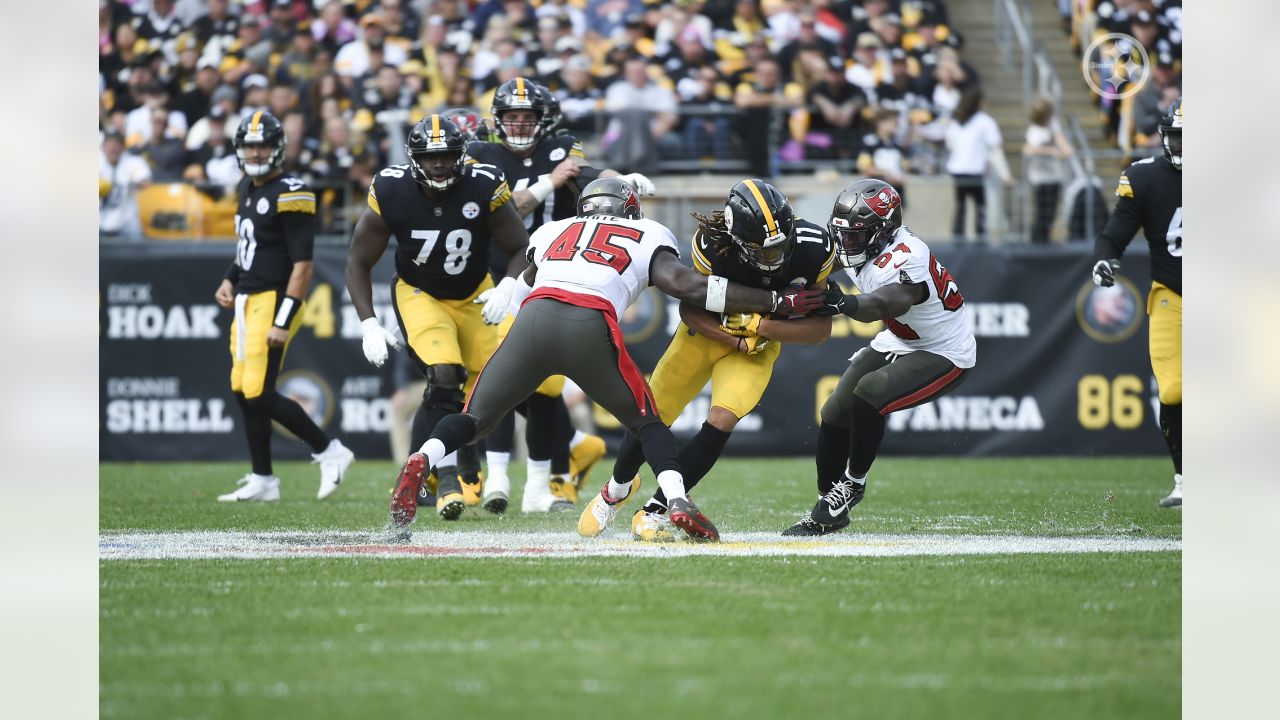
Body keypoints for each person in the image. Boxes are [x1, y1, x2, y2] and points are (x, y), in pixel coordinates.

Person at [389, 178, 828, 540]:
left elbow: (524, 280)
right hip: (588, 322)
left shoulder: (552, 230)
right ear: (631, 209)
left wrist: (507, 291)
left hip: (533, 317)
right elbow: (689, 289)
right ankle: (675, 499)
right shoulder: (650, 232)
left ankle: (424, 458)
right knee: (647, 422)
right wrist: (772, 299)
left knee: (476, 418)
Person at [604, 180, 837, 543]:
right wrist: (734, 336)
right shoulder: (714, 247)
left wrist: (760, 325)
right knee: (652, 414)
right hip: (706, 336)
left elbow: (820, 329)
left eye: (780, 246)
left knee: (723, 418)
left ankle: (656, 510)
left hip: (760, 345)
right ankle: (614, 491)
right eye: (763, 249)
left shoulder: (814, 247)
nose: (775, 257)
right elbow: (690, 310)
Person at [465, 78, 655, 512]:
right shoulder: (481, 152)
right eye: (510, 116)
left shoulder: (561, 145)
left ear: (542, 119)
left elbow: (590, 179)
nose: (517, 123)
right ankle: (513, 471)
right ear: (497, 119)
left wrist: (620, 180)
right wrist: (551, 182)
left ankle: (529, 480)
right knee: (497, 375)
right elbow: (509, 210)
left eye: (526, 116)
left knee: (541, 385)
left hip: (556, 274)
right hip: (501, 274)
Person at [345, 114, 532, 520]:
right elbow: (358, 261)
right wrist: (368, 324)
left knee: (491, 387)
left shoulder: (483, 183)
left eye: (447, 156)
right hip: (420, 291)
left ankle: (467, 461)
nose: (440, 164)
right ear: (413, 160)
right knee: (445, 377)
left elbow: (521, 246)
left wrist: (508, 286)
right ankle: (433, 478)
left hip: (476, 292)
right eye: (430, 158)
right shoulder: (391, 189)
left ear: (461, 155)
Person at [783, 179, 976, 535]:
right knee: (834, 411)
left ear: (882, 232)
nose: (846, 244)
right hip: (901, 338)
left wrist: (842, 302)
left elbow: (883, 304)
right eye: (843, 234)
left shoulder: (907, 257)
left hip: (944, 350)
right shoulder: (865, 244)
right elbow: (823, 265)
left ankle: (853, 483)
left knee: (870, 392)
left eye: (855, 236)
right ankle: (830, 507)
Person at [214, 111, 355, 502]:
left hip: (273, 299)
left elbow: (303, 265)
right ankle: (263, 479)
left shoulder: (291, 192)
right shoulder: (247, 185)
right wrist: (229, 277)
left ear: (278, 148)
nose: (255, 153)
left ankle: (330, 450)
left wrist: (283, 319)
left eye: (262, 145)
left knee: (258, 391)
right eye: (249, 146)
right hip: (245, 298)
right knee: (242, 388)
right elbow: (249, 248)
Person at [1092, 97, 1182, 507]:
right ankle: (1186, 479)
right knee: (1174, 390)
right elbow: (1119, 227)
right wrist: (1105, 257)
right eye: (1179, 138)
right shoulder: (1145, 177)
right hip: (1172, 295)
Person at [944, 87, 1010, 241]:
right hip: (974, 170)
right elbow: (995, 149)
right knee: (980, 206)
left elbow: (950, 143)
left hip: (958, 169)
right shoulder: (985, 121)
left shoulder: (958, 120)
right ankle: (980, 237)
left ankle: (958, 237)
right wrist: (1005, 174)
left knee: (960, 205)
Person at [1022, 97, 1073, 244]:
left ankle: (1045, 241)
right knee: (1041, 213)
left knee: (1051, 213)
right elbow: (1029, 149)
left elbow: (1063, 145)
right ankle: (1038, 242)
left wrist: (1064, 150)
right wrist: (1051, 151)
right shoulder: (1033, 131)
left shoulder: (1053, 125)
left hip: (1054, 177)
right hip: (1039, 178)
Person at [99, 130, 152, 239]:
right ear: (102, 147)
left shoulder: (134, 162)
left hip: (127, 229)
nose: (113, 147)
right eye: (109, 144)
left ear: (123, 147)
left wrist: (132, 181)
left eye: (117, 144)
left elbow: (146, 183)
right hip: (99, 227)